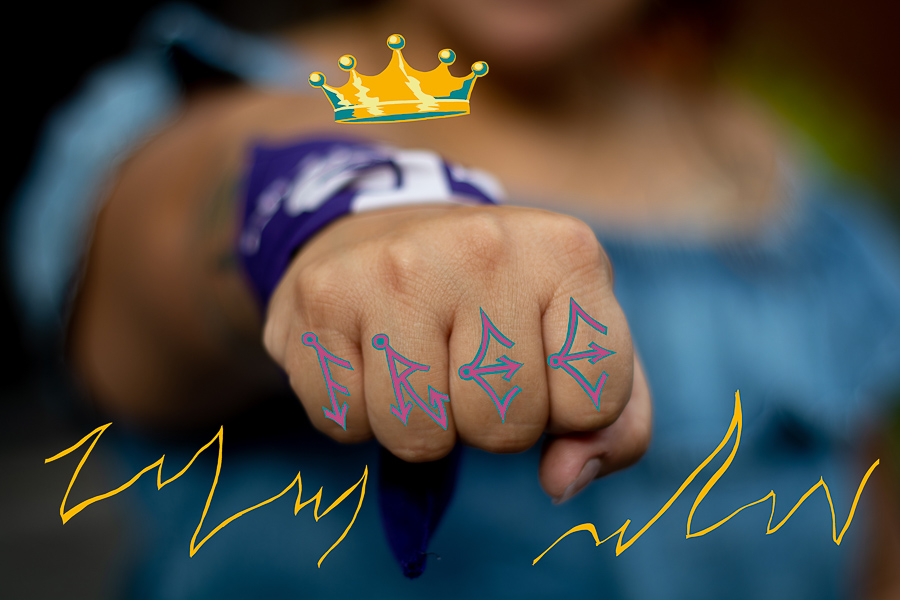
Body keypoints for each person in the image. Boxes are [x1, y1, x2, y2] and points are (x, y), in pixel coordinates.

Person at [8, 0, 900, 598]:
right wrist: (343, 213)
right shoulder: (219, 102)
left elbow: (867, 532)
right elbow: (197, 213)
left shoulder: (789, 184)